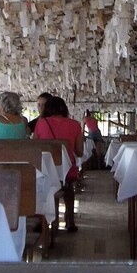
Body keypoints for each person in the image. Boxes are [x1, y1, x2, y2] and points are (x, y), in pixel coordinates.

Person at [33, 96, 83, 232]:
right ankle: (70, 221)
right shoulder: (75, 125)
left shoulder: (41, 123)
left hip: (46, 169)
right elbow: (79, 152)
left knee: (43, 186)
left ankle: (44, 220)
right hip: (67, 171)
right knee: (68, 188)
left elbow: (34, 147)